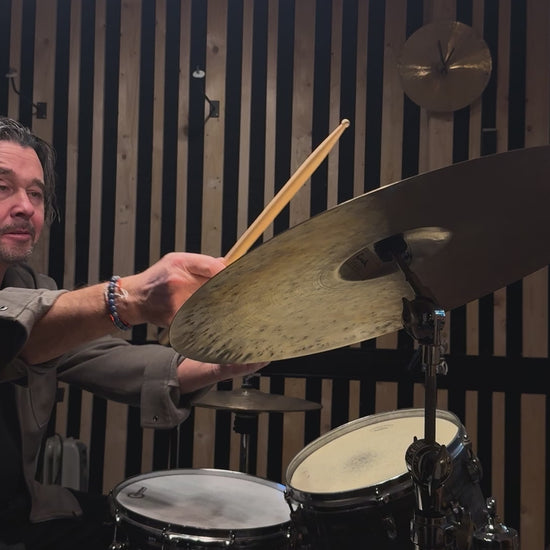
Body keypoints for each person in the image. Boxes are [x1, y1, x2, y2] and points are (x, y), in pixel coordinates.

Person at [0, 116, 269, 549]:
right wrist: (131, 298)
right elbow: (18, 334)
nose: (25, 207)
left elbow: (104, 357)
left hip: (19, 510)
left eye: (35, 193)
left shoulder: (31, 286)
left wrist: (219, 363)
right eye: (3, 187)